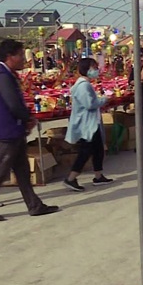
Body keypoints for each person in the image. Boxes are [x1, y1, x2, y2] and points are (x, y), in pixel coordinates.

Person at [0, 39, 60, 220]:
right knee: (0, 171)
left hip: (13, 131)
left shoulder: (7, 74)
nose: (24, 59)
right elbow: (12, 103)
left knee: (22, 171)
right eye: (20, 55)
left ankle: (34, 205)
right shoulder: (2, 76)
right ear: (9, 57)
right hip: (5, 132)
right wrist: (27, 118)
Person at [63, 58, 114, 191]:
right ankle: (71, 178)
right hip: (86, 124)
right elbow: (90, 104)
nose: (96, 70)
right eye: (94, 68)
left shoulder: (85, 84)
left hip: (92, 123)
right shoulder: (83, 86)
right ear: (86, 69)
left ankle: (98, 176)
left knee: (98, 149)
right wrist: (104, 100)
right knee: (85, 151)